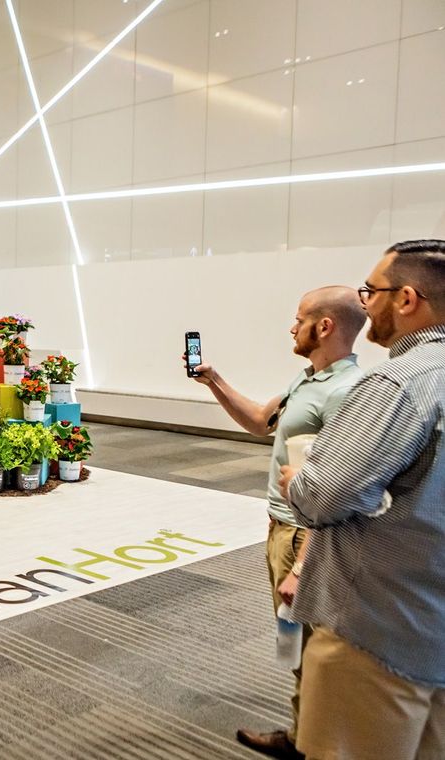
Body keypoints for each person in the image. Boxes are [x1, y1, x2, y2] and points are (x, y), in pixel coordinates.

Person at [279, 240, 445, 760]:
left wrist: (298, 484)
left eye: (371, 291)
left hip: (379, 631)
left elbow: (326, 495)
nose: (366, 303)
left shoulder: (397, 382)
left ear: (408, 299)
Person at [187, 286, 365, 760]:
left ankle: (316, 746)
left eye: (300, 317)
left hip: (304, 536)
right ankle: (305, 735)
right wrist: (214, 381)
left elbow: (333, 490)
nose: (292, 325)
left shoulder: (346, 393)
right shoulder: (309, 380)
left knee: (312, 648)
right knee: (300, 645)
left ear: (324, 327)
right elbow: (260, 421)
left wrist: (303, 563)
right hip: (283, 530)